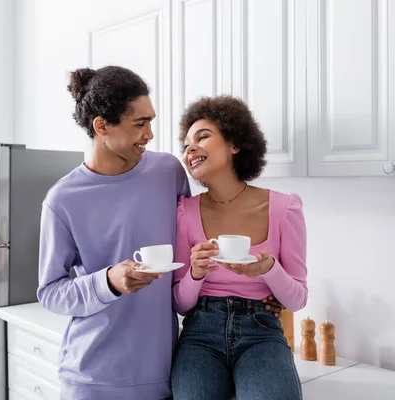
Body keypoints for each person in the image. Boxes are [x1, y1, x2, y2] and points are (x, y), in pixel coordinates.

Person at [37, 66, 285, 399]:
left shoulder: (167, 171)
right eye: (140, 124)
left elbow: (195, 247)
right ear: (102, 126)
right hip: (93, 378)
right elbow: (51, 292)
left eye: (150, 120)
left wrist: (258, 289)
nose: (150, 134)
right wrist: (107, 281)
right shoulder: (63, 199)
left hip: (162, 374)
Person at [170, 95, 307, 400]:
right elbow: (180, 303)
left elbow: (297, 299)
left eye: (203, 137)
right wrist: (195, 273)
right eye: (186, 145)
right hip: (199, 334)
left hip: (261, 332)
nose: (190, 148)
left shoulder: (284, 209)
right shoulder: (184, 211)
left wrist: (269, 269)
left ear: (234, 144)